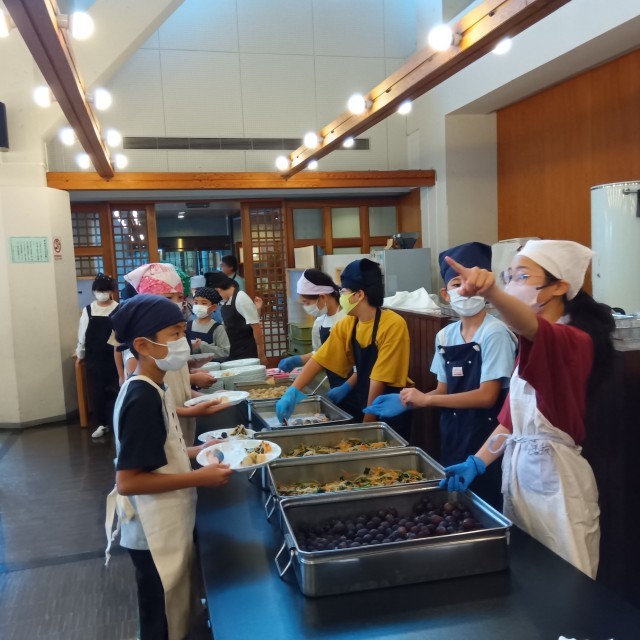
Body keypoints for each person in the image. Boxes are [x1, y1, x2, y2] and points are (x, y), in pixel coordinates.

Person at [439, 240, 614, 579]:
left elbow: (530, 326)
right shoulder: (530, 345)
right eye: (509, 277)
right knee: (526, 579)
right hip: (521, 480)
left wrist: (492, 292)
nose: (513, 284)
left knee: (566, 585)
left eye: (522, 276)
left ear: (559, 286)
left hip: (558, 489)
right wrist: (478, 461)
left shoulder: (572, 341)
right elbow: (510, 422)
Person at [105, 294, 232, 640]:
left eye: (182, 331)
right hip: (152, 531)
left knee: (175, 611)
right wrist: (198, 477)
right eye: (174, 334)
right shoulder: (141, 397)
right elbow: (129, 481)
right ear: (143, 345)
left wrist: (199, 450)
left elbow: (162, 449)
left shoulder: (153, 386)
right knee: (161, 620)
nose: (183, 342)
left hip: (167, 520)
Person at [365, 243, 517, 508]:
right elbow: (443, 391)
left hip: (487, 438)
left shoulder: (495, 333)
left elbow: (487, 396)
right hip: (453, 434)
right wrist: (409, 402)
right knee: (458, 507)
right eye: (457, 283)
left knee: (486, 505)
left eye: (472, 282)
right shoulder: (445, 335)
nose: (465, 290)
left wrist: (427, 400)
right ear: (446, 294)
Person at [275, 258, 412, 439]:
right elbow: (321, 358)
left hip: (388, 409)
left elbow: (379, 378)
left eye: (344, 291)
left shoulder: (393, 324)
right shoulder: (350, 322)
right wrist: (293, 391)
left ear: (359, 294)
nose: (340, 296)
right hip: (364, 400)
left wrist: (369, 425)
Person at [123, 263, 220, 445]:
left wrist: (211, 398)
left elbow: (179, 388)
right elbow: (153, 407)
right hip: (162, 437)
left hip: (182, 436)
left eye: (180, 297)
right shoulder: (141, 354)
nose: (176, 303)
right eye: (168, 297)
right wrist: (192, 410)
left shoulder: (174, 343)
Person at [277, 269, 346, 388]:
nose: (306, 307)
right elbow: (320, 353)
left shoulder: (348, 318)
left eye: (307, 303)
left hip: (353, 381)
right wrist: (299, 360)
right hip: (334, 382)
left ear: (322, 297)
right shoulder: (320, 322)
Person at [76, 273, 119, 439]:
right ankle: (101, 423)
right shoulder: (88, 310)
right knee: (97, 391)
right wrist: (80, 353)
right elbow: (82, 335)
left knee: (115, 390)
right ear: (94, 291)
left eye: (105, 290)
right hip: (94, 358)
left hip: (114, 358)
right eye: (99, 290)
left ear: (111, 291)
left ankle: (116, 422)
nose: (102, 293)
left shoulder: (118, 308)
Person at [206, 271, 267, 365]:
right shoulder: (227, 300)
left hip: (245, 349)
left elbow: (255, 326)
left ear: (218, 289)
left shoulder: (241, 298)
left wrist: (261, 353)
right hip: (234, 348)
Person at [188, 286, 230, 360]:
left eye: (204, 303)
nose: (199, 306)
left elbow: (225, 352)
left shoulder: (217, 328)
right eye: (196, 302)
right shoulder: (187, 326)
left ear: (214, 307)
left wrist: (202, 346)